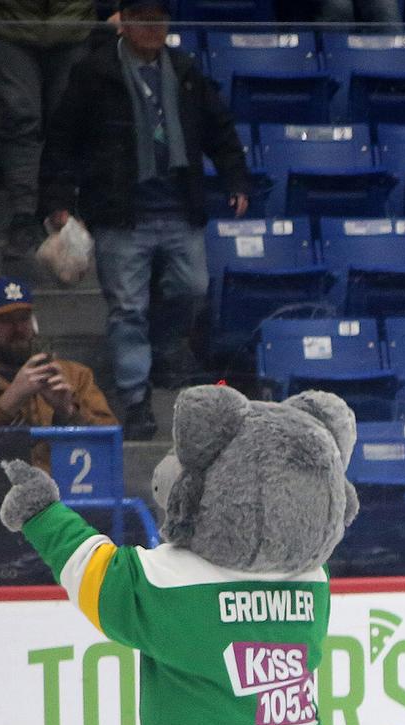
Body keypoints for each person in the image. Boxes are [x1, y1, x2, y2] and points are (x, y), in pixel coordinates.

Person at [39, 0, 249, 439]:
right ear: (124, 23)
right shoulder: (94, 73)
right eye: (142, 19)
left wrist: (236, 178)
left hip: (179, 207)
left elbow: (219, 128)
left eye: (159, 19)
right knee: (128, 307)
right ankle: (135, 398)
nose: (152, 27)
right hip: (121, 214)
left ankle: (160, 349)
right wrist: (59, 198)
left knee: (193, 290)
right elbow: (63, 140)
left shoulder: (186, 69)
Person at [0, 0, 95, 260]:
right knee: (20, 119)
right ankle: (23, 215)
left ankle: (59, 208)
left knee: (66, 122)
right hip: (9, 24)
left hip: (74, 24)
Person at [0, 276, 116, 429]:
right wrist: (9, 402)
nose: (18, 328)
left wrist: (68, 411)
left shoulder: (75, 376)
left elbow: (111, 441)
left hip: (58, 470)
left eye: (24, 318)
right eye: (5, 320)